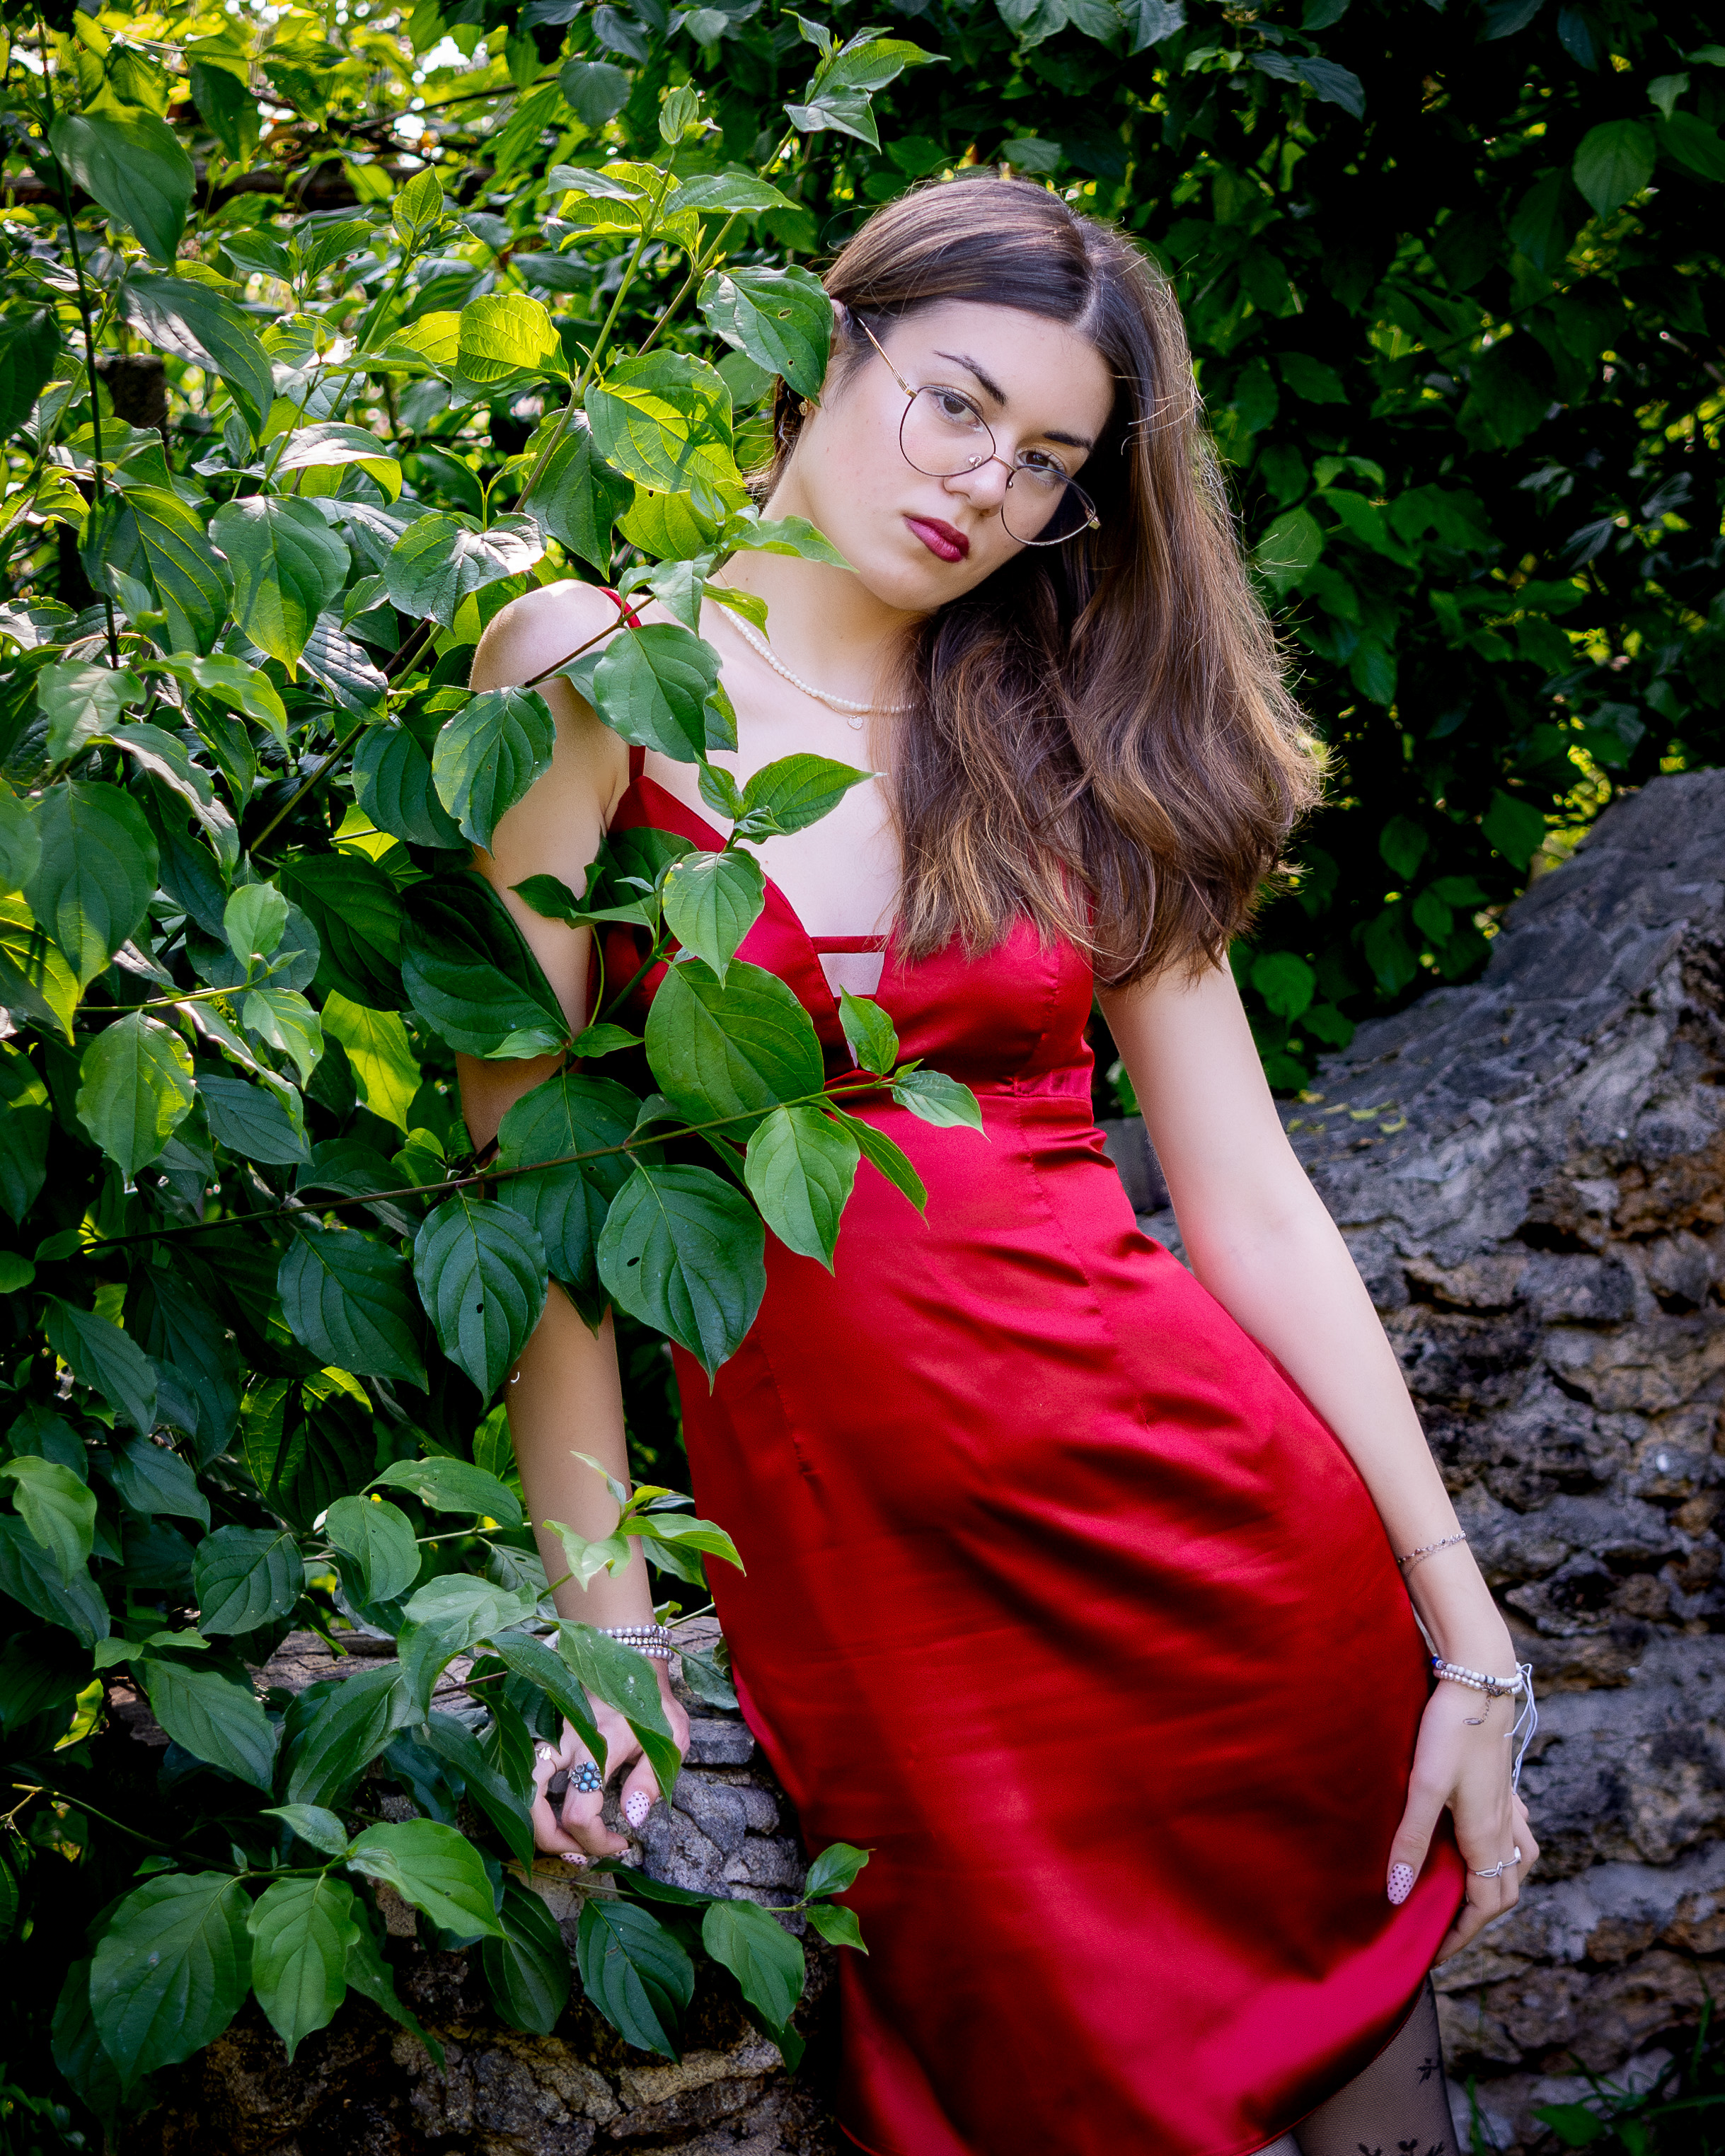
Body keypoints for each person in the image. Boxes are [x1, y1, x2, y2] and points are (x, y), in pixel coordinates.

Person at [461, 175, 1538, 2156]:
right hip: (899, 1622)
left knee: (1368, 2080)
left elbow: (1251, 1206)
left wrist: (1465, 1636)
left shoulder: (1064, 736)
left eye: (1047, 460)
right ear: (823, 349)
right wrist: (594, 1619)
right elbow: (524, 1189)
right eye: (956, 402)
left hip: (1227, 1561)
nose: (986, 482)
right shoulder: (586, 672)